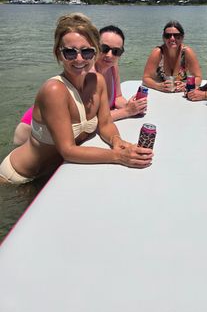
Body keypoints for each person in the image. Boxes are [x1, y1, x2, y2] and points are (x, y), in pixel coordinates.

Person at [0, 12, 153, 185]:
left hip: (54, 172)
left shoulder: (98, 82)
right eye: (70, 53)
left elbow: (105, 124)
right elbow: (68, 150)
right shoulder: (54, 90)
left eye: (87, 52)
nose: (79, 59)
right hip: (18, 176)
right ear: (59, 54)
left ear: (95, 52)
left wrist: (117, 142)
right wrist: (119, 156)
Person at [94, 25, 147, 120]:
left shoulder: (113, 68)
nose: (109, 55)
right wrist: (127, 111)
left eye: (116, 51)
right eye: (104, 49)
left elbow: (117, 98)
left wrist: (133, 106)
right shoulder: (88, 75)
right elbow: (90, 120)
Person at [142, 20, 202, 92]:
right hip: (160, 93)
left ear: (182, 37)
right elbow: (146, 78)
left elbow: (198, 77)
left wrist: (187, 84)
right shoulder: (158, 52)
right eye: (168, 36)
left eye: (177, 36)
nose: (172, 38)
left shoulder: (187, 52)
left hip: (180, 94)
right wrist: (157, 86)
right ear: (163, 38)